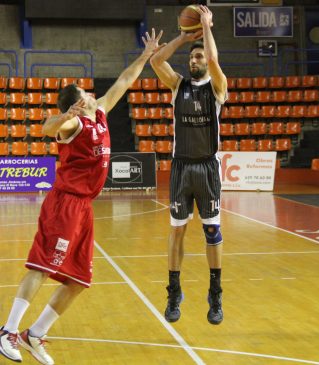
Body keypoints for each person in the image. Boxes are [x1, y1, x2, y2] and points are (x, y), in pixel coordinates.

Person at [0, 29, 163, 364]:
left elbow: (124, 80)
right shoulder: (73, 125)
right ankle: (8, 331)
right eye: (86, 93)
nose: (92, 93)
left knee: (78, 279)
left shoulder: (100, 112)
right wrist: (66, 115)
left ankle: (35, 334)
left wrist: (145, 56)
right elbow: (46, 128)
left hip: (85, 208)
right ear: (77, 102)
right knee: (42, 266)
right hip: (64, 203)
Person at [150, 5, 227, 325]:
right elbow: (156, 61)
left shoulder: (218, 86)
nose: (195, 61)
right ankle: (174, 291)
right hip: (182, 168)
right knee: (177, 233)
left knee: (212, 231)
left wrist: (206, 27)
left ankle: (215, 293)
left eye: (199, 57)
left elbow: (213, 60)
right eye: (192, 58)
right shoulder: (178, 85)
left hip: (207, 168)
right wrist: (183, 39)